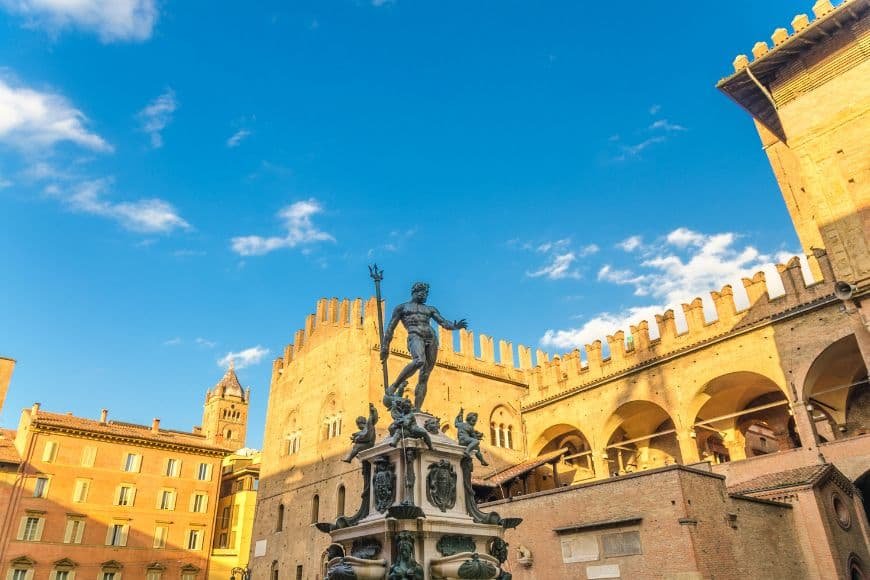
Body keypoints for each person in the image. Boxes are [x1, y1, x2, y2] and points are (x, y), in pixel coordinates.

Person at [381, 282, 467, 412]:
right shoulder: (402, 308)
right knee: (419, 360)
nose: (425, 295)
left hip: (431, 338)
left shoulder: (430, 309)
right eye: (423, 292)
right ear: (415, 292)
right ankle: (394, 386)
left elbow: (443, 322)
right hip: (415, 336)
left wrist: (455, 326)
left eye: (426, 293)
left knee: (425, 375)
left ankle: (417, 409)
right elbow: (390, 328)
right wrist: (385, 347)